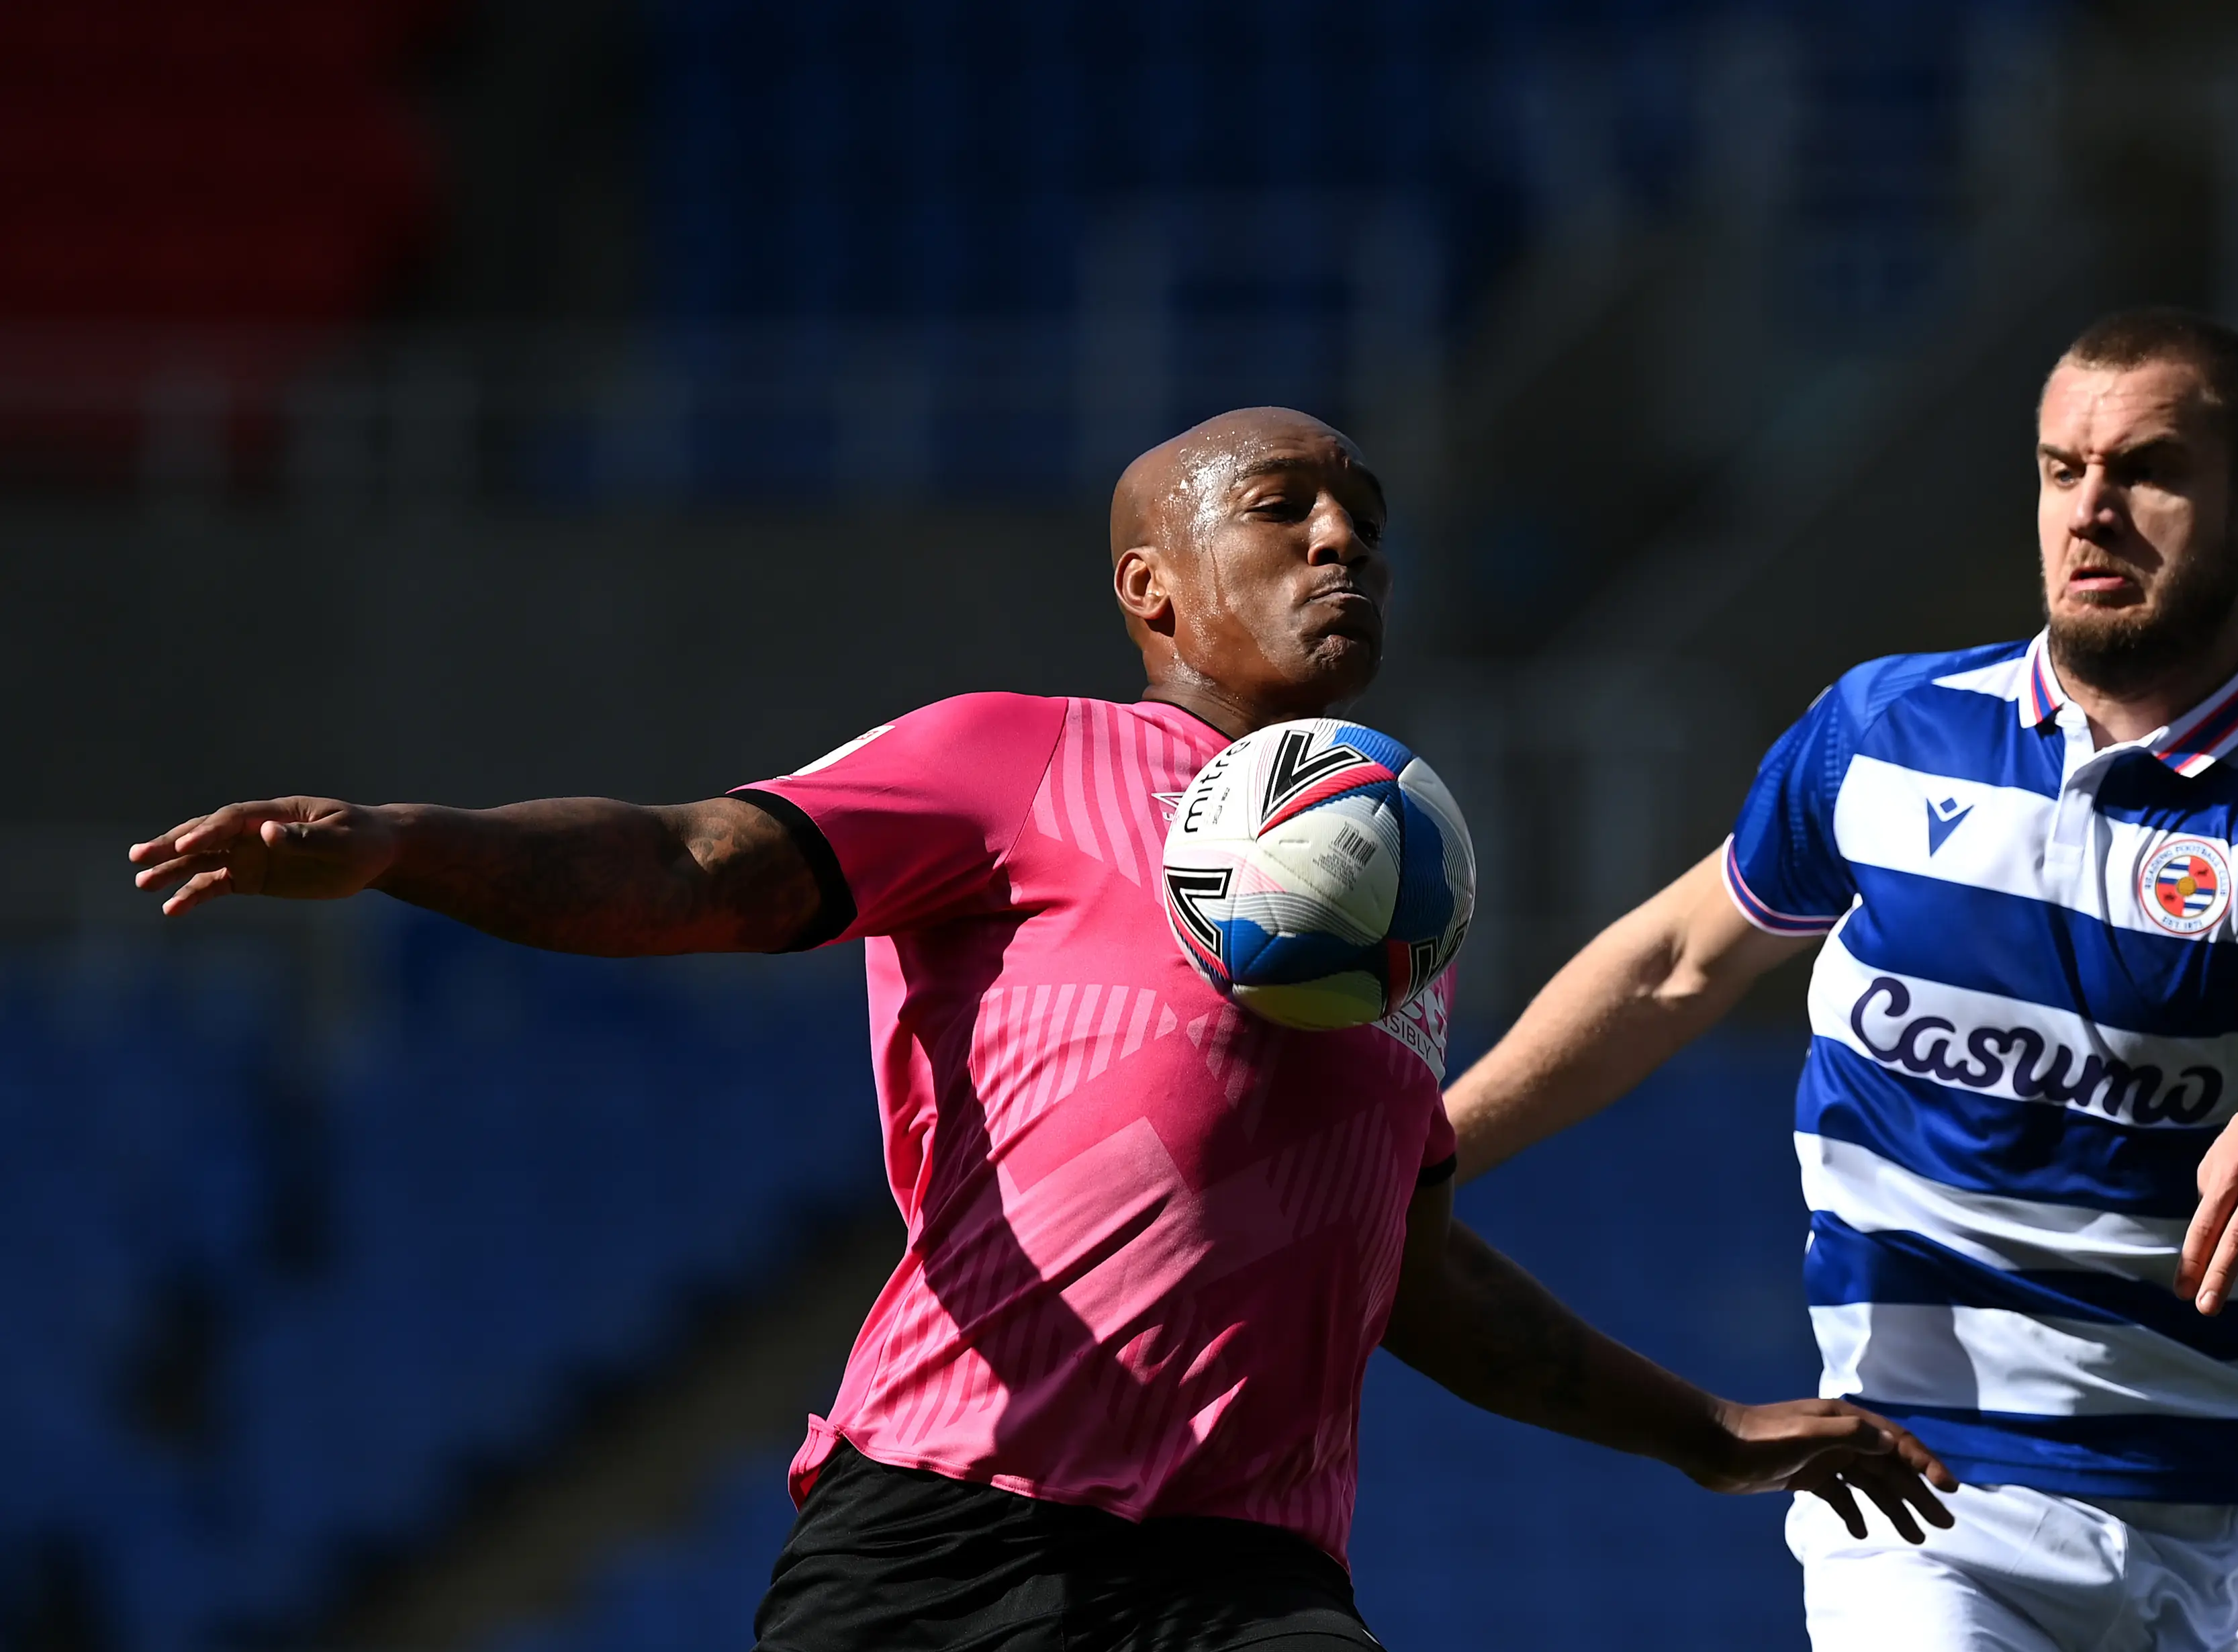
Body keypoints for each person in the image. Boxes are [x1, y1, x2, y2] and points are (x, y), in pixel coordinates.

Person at [132, 407, 1952, 1652]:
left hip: (1246, 1581)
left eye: (1368, 525)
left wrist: (1703, 1429)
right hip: (939, 1541)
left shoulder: (1400, 886)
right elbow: (691, 866)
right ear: (1151, 587)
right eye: (1287, 509)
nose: (1346, 540)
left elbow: (1399, 1264)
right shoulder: (1007, 757)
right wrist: (407, 843)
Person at [1443, 312, 2238, 1652]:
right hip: (1925, 1502)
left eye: (2148, 470)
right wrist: (1418, 1157)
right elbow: (1671, 968)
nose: (2092, 511)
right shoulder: (1881, 733)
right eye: (2061, 469)